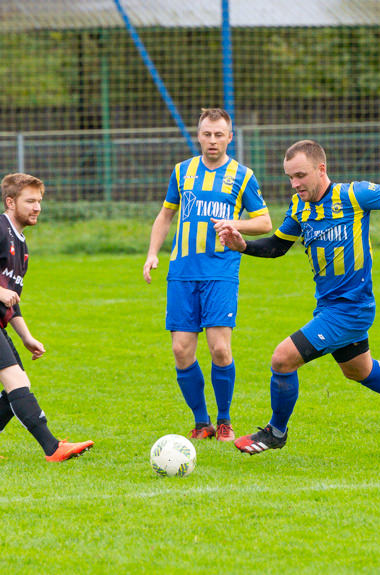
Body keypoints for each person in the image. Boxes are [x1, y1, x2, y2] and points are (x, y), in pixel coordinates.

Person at [214, 139, 380, 455]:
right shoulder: (300, 208)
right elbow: (277, 247)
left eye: (300, 175)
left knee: (282, 359)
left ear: (321, 169)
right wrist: (243, 247)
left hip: (352, 309)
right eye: (290, 178)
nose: (295, 184)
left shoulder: (353, 195)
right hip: (329, 307)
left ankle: (276, 432)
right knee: (358, 370)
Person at [143, 108, 272, 442]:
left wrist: (235, 223)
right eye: (206, 134)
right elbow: (165, 215)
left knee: (219, 350)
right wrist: (152, 254)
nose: (212, 140)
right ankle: (202, 423)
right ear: (197, 135)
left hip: (220, 271)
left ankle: (225, 420)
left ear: (230, 137)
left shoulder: (243, 176)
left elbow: (264, 222)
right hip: (183, 271)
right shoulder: (182, 171)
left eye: (219, 134)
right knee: (181, 351)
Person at [0, 173, 93, 462]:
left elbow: (12, 298)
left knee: (19, 383)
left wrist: (26, 336)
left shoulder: (20, 244)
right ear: (10, 202)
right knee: (16, 381)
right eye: (30, 201)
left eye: (39, 201)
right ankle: (52, 447)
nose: (37, 207)